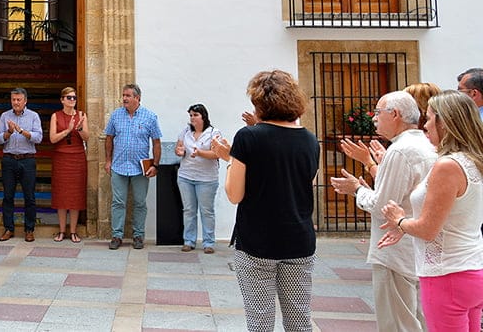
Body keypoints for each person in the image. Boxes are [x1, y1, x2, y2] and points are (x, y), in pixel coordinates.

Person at [211, 70, 319, 332]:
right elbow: (303, 183)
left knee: (260, 322)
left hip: (258, 242)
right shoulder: (309, 139)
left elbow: (235, 194)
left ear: (260, 103)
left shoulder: (249, 137)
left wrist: (229, 159)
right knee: (300, 321)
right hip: (299, 241)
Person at [329, 91, 436, 332]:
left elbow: (382, 206)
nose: (374, 118)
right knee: (418, 318)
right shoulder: (426, 145)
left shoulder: (400, 150)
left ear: (395, 114)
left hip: (395, 249)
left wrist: (357, 190)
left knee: (397, 323)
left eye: (378, 112)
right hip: (418, 247)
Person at [378, 90, 483, 332]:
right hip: (471, 266)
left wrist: (400, 220)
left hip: (447, 274)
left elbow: (427, 229)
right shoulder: (473, 160)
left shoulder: (448, 166)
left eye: (429, 117)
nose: (425, 125)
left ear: (444, 122)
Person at [104, 83, 161, 250]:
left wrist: (155, 165)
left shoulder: (150, 117)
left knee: (140, 203)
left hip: (140, 168)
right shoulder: (116, 115)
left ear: (137, 98)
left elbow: (156, 142)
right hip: (119, 166)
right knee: (118, 202)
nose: (124, 98)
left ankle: (138, 236)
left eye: (128, 96)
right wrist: (108, 161)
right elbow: (109, 138)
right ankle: (117, 235)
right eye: (123, 95)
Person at [0, 87, 43, 242]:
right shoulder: (5, 116)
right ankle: (8, 228)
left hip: (27, 159)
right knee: (8, 196)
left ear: (25, 101)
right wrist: (9, 132)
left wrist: (22, 131)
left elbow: (38, 138)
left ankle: (29, 229)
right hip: (9, 159)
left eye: (18, 100)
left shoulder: (33, 116)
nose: (15, 103)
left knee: (29, 196)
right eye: (13, 100)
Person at [174, 103, 220, 254]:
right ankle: (189, 241)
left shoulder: (213, 133)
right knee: (188, 210)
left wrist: (199, 153)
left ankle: (208, 242)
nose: (192, 118)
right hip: (186, 176)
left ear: (203, 116)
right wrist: (179, 151)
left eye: (195, 115)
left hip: (206, 179)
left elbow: (217, 154)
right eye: (191, 115)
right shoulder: (186, 132)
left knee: (206, 211)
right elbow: (179, 147)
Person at [49, 86, 88, 243]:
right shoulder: (55, 116)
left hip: (77, 158)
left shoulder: (82, 115)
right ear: (62, 100)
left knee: (75, 195)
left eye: (74, 98)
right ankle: (61, 230)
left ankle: (73, 231)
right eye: (69, 98)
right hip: (61, 158)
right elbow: (52, 138)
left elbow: (87, 137)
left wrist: (78, 129)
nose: (72, 100)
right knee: (61, 195)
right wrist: (67, 131)